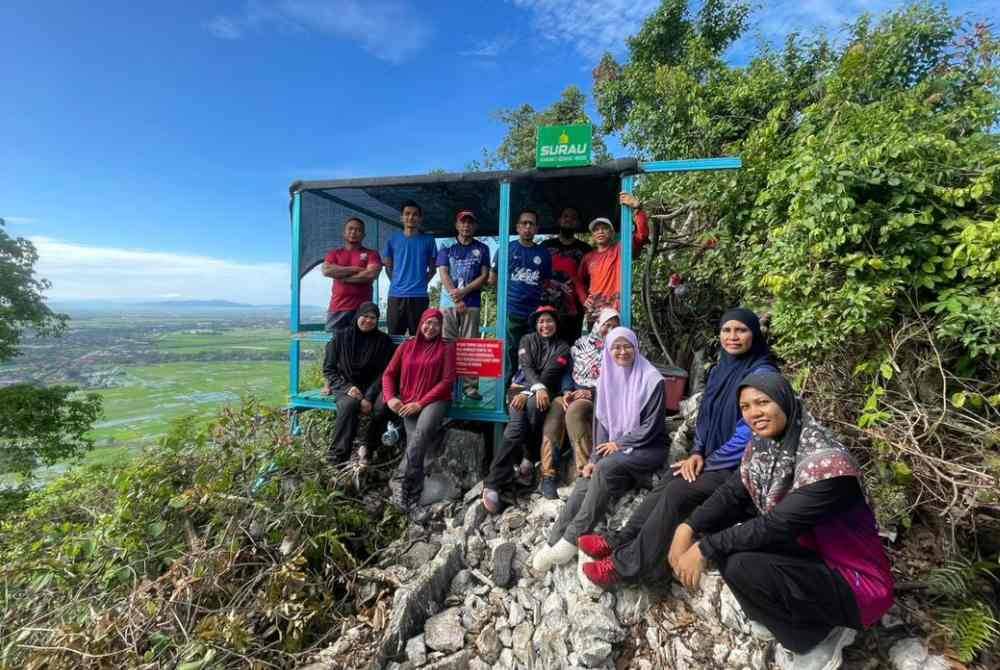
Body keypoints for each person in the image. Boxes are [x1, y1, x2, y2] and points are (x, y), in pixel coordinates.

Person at [670, 371, 894, 670]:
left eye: (763, 402)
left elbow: (776, 525)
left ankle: (817, 638)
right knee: (729, 546)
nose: (753, 413)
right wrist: (688, 527)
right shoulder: (764, 446)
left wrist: (703, 548)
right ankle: (786, 616)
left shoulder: (827, 464)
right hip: (810, 555)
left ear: (785, 401)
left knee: (737, 559)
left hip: (854, 580)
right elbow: (733, 494)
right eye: (746, 407)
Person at [578, 308, 777, 588]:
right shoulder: (721, 369)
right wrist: (697, 452)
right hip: (712, 459)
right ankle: (621, 539)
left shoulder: (762, 374)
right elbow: (706, 418)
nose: (733, 337)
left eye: (741, 330)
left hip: (742, 468)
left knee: (677, 490)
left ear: (754, 334)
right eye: (727, 330)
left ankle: (626, 568)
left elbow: (750, 435)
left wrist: (708, 461)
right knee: (669, 479)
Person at [532, 326, 667, 572]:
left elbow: (653, 426)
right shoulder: (607, 377)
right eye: (616, 347)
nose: (622, 351)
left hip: (647, 447)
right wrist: (593, 457)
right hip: (616, 447)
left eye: (627, 346)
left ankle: (571, 539)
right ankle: (553, 540)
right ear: (608, 350)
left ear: (636, 347)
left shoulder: (651, 379)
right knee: (588, 475)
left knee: (605, 467)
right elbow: (602, 423)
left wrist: (620, 444)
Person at [482, 306, 569, 514]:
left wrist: (533, 392)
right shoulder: (526, 340)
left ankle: (527, 461)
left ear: (556, 324)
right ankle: (494, 481)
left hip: (542, 392)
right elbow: (527, 367)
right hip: (519, 389)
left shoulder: (563, 347)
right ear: (535, 324)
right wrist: (532, 389)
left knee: (534, 407)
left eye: (549, 321)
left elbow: (550, 373)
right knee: (516, 426)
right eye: (541, 321)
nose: (545, 325)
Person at [380, 308, 456, 509]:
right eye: (427, 323)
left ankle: (400, 483)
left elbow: (447, 381)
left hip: (435, 400)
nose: (430, 328)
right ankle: (415, 489)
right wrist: (390, 399)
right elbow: (388, 374)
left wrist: (420, 404)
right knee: (415, 443)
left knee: (420, 435)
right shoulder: (407, 346)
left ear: (441, 328)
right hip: (408, 400)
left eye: (435, 324)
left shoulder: (446, 347)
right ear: (420, 323)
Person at [543, 307, 620, 489]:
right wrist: (567, 391)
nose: (609, 331)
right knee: (557, 406)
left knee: (575, 410)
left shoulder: (618, 348)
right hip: (576, 391)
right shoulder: (580, 344)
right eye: (606, 325)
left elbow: (618, 381)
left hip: (601, 397)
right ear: (597, 324)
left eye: (614, 327)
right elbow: (568, 372)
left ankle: (584, 470)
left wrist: (591, 392)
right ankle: (548, 474)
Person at [320, 302, 395, 463]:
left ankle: (368, 447)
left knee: (383, 405)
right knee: (349, 405)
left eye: (373, 317)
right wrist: (347, 388)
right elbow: (329, 369)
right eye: (365, 316)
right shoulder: (340, 337)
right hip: (346, 385)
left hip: (374, 386)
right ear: (357, 316)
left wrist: (368, 397)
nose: (368, 320)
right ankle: (338, 456)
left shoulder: (383, 342)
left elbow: (385, 373)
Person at [489, 209, 552, 387]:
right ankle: (504, 398)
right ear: (517, 227)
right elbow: (493, 278)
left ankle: (528, 396)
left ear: (536, 228)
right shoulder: (506, 249)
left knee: (531, 355)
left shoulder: (543, 254)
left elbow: (546, 282)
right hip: (511, 312)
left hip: (534, 315)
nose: (527, 227)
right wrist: (505, 300)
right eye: (524, 223)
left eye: (531, 223)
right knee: (509, 355)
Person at [437, 209, 490, 400]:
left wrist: (463, 293)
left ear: (474, 226)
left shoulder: (483, 248)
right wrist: (456, 298)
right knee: (447, 345)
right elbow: (443, 273)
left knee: (471, 345)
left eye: (470, 222)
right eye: (462, 222)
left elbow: (484, 276)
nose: (466, 225)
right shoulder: (446, 247)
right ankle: (447, 385)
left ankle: (470, 387)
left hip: (472, 303)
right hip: (448, 303)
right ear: (457, 225)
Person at [575, 193, 649, 324]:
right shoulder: (588, 257)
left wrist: (638, 209)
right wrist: (583, 299)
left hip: (617, 310)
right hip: (594, 312)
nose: (600, 232)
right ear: (592, 235)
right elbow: (579, 281)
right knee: (595, 344)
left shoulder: (621, 249)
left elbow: (642, 236)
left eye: (604, 228)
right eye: (596, 229)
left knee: (617, 343)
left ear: (612, 232)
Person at [383, 200, 437, 336]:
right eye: (407, 214)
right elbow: (388, 267)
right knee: (394, 338)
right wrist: (397, 282)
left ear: (420, 218)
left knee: (419, 337)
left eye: (415, 214)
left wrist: (422, 283)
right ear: (401, 217)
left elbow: (433, 269)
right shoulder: (392, 240)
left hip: (419, 297)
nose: (411, 217)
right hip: (396, 296)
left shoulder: (429, 240)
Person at [321, 217, 383, 332]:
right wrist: (355, 269)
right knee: (334, 346)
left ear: (363, 235)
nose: (353, 232)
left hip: (363, 311)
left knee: (363, 346)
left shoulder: (372, 254)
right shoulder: (334, 254)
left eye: (358, 230)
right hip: (337, 308)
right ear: (344, 233)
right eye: (350, 229)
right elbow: (326, 271)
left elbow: (371, 274)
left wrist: (342, 277)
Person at [541, 206, 592, 342]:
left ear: (578, 224)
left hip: (573, 311)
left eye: (573, 218)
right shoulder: (545, 246)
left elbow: (591, 279)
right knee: (546, 348)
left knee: (571, 349)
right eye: (565, 216)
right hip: (547, 308)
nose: (569, 220)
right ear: (559, 221)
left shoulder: (586, 249)